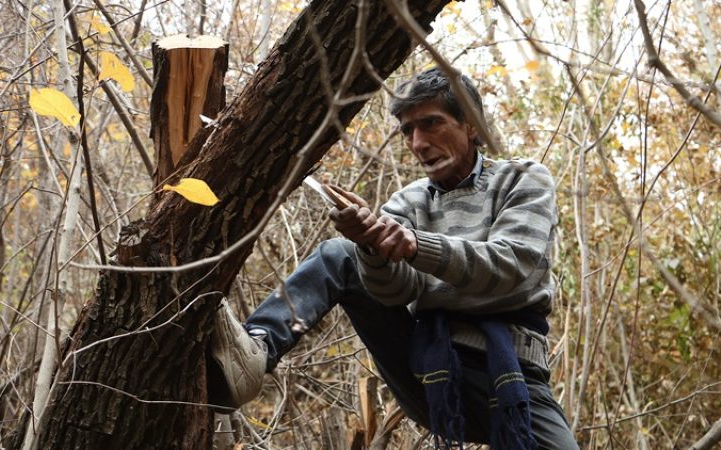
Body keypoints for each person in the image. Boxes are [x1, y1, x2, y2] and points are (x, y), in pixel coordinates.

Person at [207, 68, 578, 449]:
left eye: (431, 124)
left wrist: (415, 245)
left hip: (513, 370)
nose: (418, 143)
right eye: (408, 130)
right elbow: (395, 292)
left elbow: (510, 265)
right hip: (429, 366)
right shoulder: (406, 202)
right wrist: (373, 248)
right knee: (342, 254)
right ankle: (257, 349)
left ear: (470, 125)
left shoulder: (523, 179)